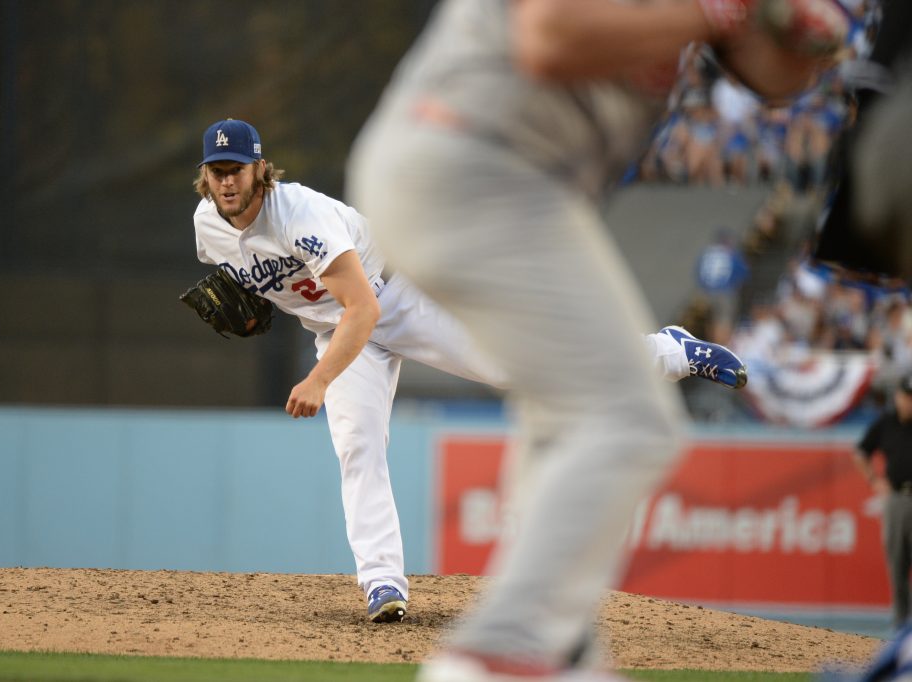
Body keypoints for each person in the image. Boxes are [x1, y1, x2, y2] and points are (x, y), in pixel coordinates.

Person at [345, 0, 845, 678]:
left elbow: (774, 73)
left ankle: (562, 646)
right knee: (628, 420)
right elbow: (547, 35)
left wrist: (799, 28)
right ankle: (502, 648)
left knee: (570, 419)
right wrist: (719, 11)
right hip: (468, 164)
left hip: (510, 187)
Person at [189, 118, 747, 626]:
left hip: (399, 295)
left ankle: (670, 351)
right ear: (206, 177)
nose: (227, 182)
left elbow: (365, 311)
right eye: (216, 172)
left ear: (260, 169)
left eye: (236, 169)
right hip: (336, 330)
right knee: (356, 444)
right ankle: (382, 583)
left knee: (518, 365)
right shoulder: (207, 227)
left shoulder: (301, 215)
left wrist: (319, 381)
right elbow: (247, 279)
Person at [853, 374, 912, 631]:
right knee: (897, 565)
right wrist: (874, 481)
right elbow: (861, 451)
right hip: (897, 498)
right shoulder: (887, 423)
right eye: (907, 396)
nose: (909, 402)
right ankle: (901, 629)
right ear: (898, 396)